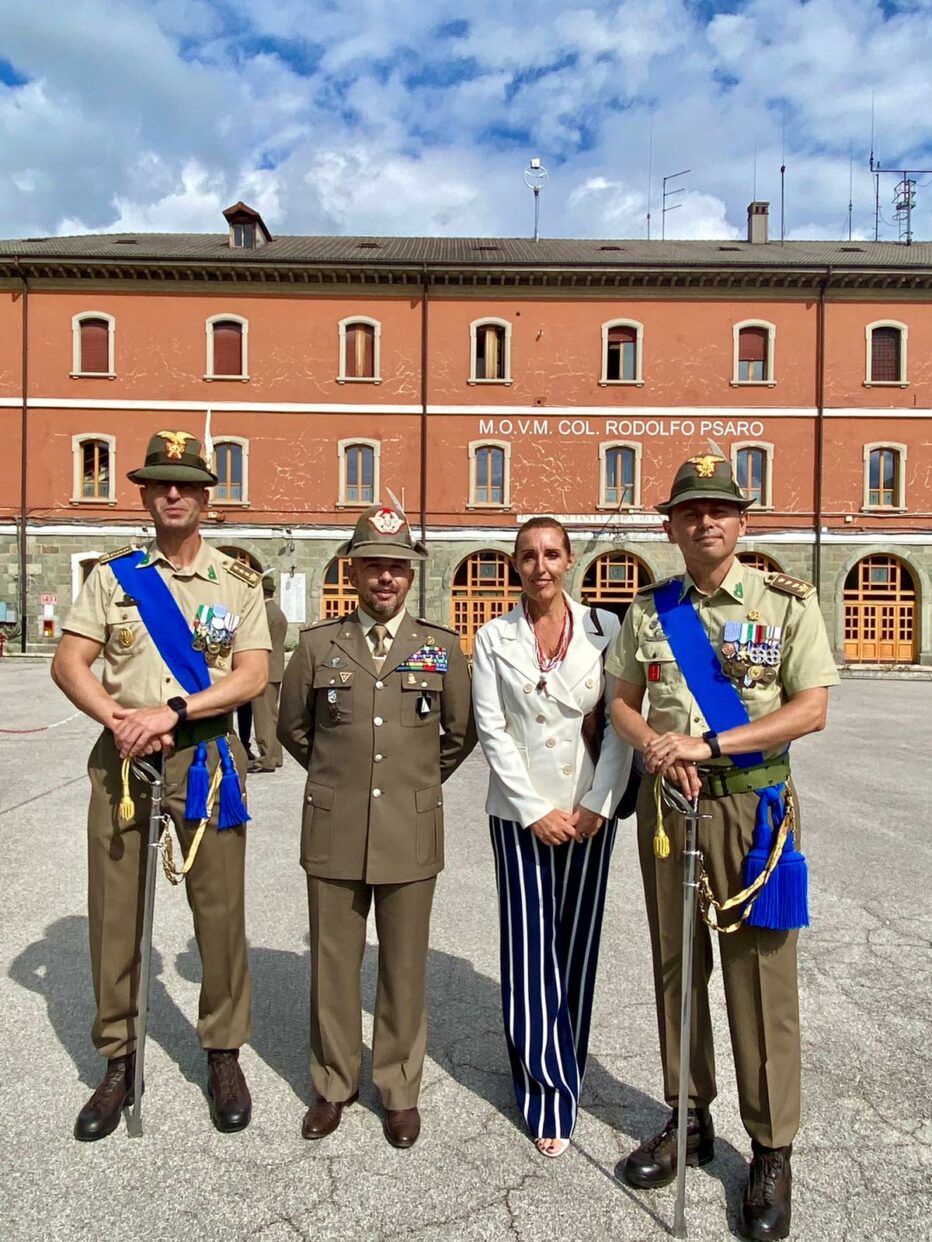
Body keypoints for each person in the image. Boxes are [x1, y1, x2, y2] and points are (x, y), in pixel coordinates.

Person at [605, 454, 839, 1241]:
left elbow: (810, 710)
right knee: (678, 970)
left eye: (721, 510)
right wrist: (653, 748)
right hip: (671, 809)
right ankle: (688, 1118)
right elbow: (622, 702)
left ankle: (772, 1148)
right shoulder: (650, 610)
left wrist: (710, 745)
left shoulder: (785, 604)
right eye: (690, 511)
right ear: (669, 526)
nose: (706, 521)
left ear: (743, 523)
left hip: (754, 811)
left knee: (761, 982)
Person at [50, 431, 270, 1141]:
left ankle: (223, 1051)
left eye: (186, 483)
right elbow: (69, 662)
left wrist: (170, 712)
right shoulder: (114, 578)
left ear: (207, 497)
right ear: (144, 494)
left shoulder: (236, 582)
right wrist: (120, 718)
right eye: (159, 483)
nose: (173, 493)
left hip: (205, 760)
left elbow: (252, 674)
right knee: (116, 917)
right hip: (124, 761)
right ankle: (118, 1059)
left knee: (221, 917)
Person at [277, 504, 475, 1148]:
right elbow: (294, 731)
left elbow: (457, 735)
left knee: (404, 966)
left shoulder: (441, 648)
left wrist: (411, 787)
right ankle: (334, 1083)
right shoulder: (316, 645)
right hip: (334, 825)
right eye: (374, 566)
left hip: (410, 827)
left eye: (397, 567)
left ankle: (398, 1088)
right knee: (333, 965)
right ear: (354, 571)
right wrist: (343, 781)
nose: (385, 578)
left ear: (410, 575)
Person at [471, 516, 632, 1158]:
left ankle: (570, 1066)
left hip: (590, 810)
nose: (541, 565)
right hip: (522, 814)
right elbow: (492, 729)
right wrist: (534, 808)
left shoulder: (606, 628)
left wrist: (599, 802)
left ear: (570, 561)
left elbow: (622, 721)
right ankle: (545, 1095)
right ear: (515, 564)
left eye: (552, 553)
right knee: (531, 951)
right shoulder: (492, 636)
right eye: (529, 555)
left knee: (576, 948)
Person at [248, 571, 288, 773]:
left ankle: (266, 758)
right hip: (275, 670)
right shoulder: (277, 612)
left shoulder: (264, 614)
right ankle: (275, 754)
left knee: (263, 717)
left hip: (263, 671)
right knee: (272, 716)